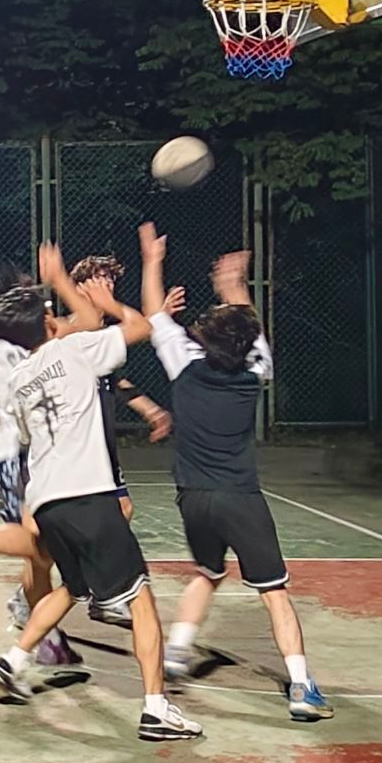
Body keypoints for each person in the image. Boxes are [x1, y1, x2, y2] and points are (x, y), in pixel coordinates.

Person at [0, 278, 202, 743]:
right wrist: (104, 301)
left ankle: (13, 659)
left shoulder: (17, 380)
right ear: (48, 320)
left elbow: (24, 435)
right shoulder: (77, 349)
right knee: (141, 601)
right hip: (89, 495)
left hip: (47, 501)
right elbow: (140, 327)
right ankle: (156, 709)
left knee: (75, 585)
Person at [138, 222, 333, 722]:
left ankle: (177, 651)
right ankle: (301, 686)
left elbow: (154, 314)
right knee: (274, 593)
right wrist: (234, 285)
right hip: (240, 497)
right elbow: (250, 329)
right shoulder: (255, 371)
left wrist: (152, 260)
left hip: (193, 498)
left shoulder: (184, 364)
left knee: (208, 571)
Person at [0, 247, 98, 666]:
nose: (36, 296)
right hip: (26, 457)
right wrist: (64, 285)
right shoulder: (9, 349)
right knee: (40, 547)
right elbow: (84, 327)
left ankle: (42, 630)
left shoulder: (19, 342)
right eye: (27, 291)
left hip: (30, 456)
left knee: (40, 555)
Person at [66, 253, 173, 628]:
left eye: (111, 281)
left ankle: (102, 595)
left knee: (120, 511)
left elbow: (113, 379)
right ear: (80, 288)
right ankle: (89, 593)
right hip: (78, 441)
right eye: (100, 280)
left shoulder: (101, 330)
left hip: (100, 440)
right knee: (72, 526)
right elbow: (141, 328)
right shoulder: (72, 329)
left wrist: (150, 409)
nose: (108, 287)